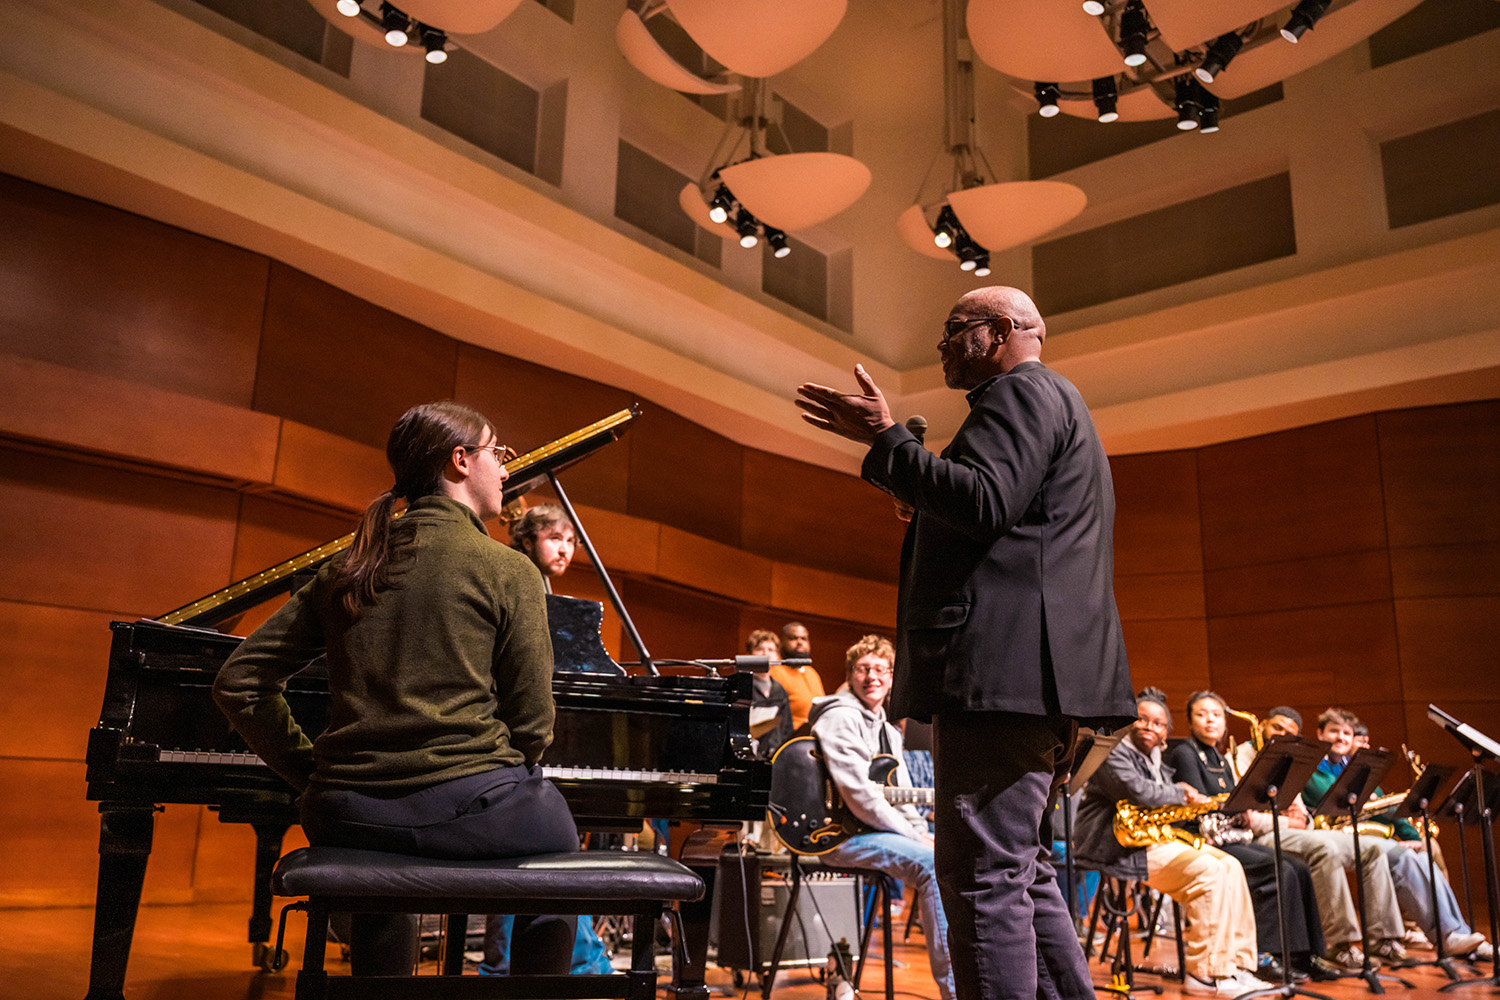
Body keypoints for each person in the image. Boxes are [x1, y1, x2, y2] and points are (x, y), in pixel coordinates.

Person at [795, 285, 1136, 1000]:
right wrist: (907, 469)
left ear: (1002, 330)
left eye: (955, 330)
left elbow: (983, 501)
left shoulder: (1018, 395)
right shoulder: (1057, 402)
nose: (943, 345)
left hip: (1004, 676)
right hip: (1042, 678)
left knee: (981, 878)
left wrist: (888, 440)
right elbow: (999, 513)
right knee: (1023, 871)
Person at [212, 401, 579, 976]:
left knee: (386, 860)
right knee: (558, 834)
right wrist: (501, 778)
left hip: (344, 811)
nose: (506, 470)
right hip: (469, 805)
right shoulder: (506, 570)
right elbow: (533, 724)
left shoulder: (347, 568)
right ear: (460, 460)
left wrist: (311, 773)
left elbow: (239, 681)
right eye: (497, 453)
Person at [482, 500, 613, 977]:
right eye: (555, 537)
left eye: (571, 540)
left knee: (538, 847)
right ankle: (579, 966)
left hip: (515, 733)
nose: (565, 547)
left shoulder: (544, 589)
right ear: (528, 538)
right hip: (502, 736)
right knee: (546, 846)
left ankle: (513, 961)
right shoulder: (523, 581)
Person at [1074, 689, 1262, 996]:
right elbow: (1138, 792)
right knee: (1209, 873)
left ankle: (1235, 966)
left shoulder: (1155, 758)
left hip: (1148, 841)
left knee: (1230, 864)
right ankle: (1203, 975)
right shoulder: (1114, 750)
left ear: (1166, 731)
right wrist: (1183, 794)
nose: (1150, 727)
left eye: (1159, 723)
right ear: (1130, 722)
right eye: (1143, 719)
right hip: (1118, 848)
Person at [809, 635, 954, 1000]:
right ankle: (955, 991)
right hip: (838, 836)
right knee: (932, 866)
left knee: (943, 856)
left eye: (879, 669)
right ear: (850, 675)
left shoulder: (889, 731)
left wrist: (920, 831)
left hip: (873, 833)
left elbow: (902, 798)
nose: (871, 676)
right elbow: (859, 797)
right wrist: (913, 837)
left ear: (891, 678)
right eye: (862, 669)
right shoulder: (839, 718)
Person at [1162, 691, 1328, 982]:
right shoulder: (1185, 752)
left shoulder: (1220, 756)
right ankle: (1265, 954)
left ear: (1225, 723)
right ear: (1189, 722)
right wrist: (1238, 806)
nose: (1210, 720)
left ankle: (1305, 955)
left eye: (1216, 714)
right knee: (1274, 869)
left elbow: (1229, 801)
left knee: (1298, 867)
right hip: (1204, 839)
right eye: (1202, 714)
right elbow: (1205, 805)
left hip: (1232, 835)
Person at [1302, 709, 1491, 961]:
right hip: (1331, 836)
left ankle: (1458, 933)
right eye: (1333, 731)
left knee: (1423, 857)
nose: (1341, 737)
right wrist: (1366, 797)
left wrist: (1413, 834)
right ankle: (1446, 937)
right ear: (1319, 734)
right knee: (1402, 855)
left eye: (1346, 733)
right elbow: (1328, 796)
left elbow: (1386, 806)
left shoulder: (1353, 767)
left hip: (1361, 836)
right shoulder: (1314, 767)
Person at [1229, 707, 1408, 972]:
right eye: (1277, 728)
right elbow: (1247, 818)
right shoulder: (1241, 756)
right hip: (1262, 837)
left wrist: (1299, 819)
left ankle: (1382, 939)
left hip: (1295, 830)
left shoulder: (1288, 758)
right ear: (1263, 725)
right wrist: (1287, 820)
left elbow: (1304, 815)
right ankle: (1340, 944)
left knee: (1370, 848)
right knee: (1324, 848)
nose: (1282, 735)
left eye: (1290, 732)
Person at [746, 629, 794, 758]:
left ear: (777, 656)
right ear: (750, 654)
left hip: (773, 758)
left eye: (771, 650)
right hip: (747, 755)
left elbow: (787, 729)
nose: (765, 654)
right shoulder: (741, 686)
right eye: (759, 649)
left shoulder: (780, 690)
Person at [509, 503, 576, 594]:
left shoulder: (540, 579)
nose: (564, 550)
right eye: (555, 538)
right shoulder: (514, 582)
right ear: (528, 543)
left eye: (570, 540)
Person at [771, 621, 824, 731]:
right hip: (791, 741)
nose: (799, 642)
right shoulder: (776, 673)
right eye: (793, 638)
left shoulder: (812, 673)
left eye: (804, 638)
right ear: (781, 643)